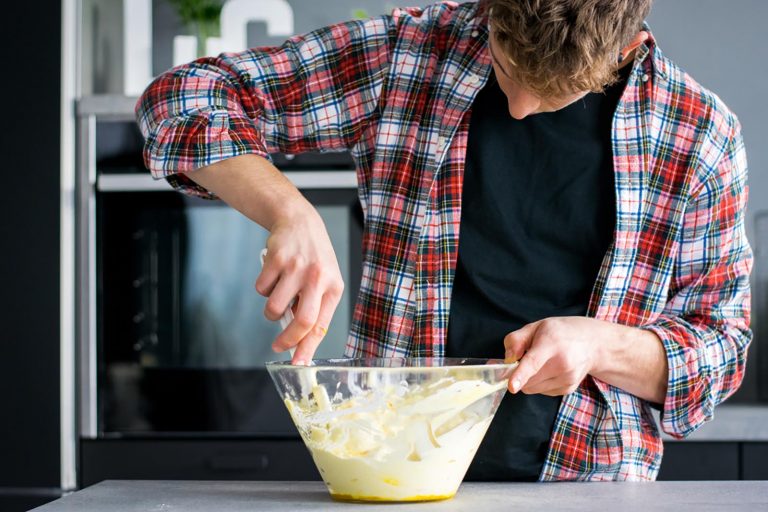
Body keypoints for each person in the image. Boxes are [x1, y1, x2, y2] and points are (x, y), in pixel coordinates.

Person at [135, 0, 752, 481]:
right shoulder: (410, 55)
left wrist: (602, 347)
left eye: (558, 91)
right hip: (387, 477)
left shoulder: (700, 137)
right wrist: (287, 210)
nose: (520, 106)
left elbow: (722, 349)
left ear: (628, 49)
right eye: (508, 66)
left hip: (588, 484)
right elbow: (179, 98)